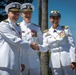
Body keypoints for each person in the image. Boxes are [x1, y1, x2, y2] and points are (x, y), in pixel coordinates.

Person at [0, 2, 37, 75]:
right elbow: (14, 40)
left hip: (16, 64)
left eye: (18, 13)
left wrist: (21, 62)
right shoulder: (3, 25)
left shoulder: (18, 27)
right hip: (5, 63)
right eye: (14, 13)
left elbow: (20, 47)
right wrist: (30, 44)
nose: (16, 16)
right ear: (8, 13)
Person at [36, 10, 76, 75]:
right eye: (53, 18)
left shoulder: (65, 29)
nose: (55, 19)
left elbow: (72, 45)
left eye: (57, 18)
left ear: (59, 19)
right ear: (50, 19)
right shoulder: (46, 33)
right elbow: (45, 48)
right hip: (54, 62)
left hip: (67, 61)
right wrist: (38, 47)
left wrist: (73, 60)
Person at [20, 3, 43, 75]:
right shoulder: (17, 27)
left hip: (34, 61)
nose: (28, 15)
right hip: (21, 61)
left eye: (30, 13)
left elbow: (41, 42)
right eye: (25, 13)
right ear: (21, 14)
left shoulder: (36, 27)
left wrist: (37, 46)